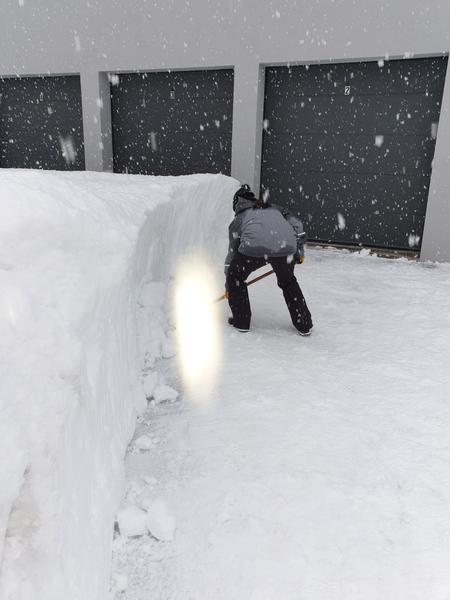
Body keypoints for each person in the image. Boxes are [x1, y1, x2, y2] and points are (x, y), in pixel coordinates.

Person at [224, 184, 313, 335]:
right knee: (288, 281)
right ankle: (304, 324)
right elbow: (297, 225)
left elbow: (232, 253)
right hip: (285, 248)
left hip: (254, 248)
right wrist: (299, 251)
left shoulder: (239, 219)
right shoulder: (275, 208)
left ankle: (241, 321)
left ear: (237, 204)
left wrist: (229, 285)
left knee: (235, 276)